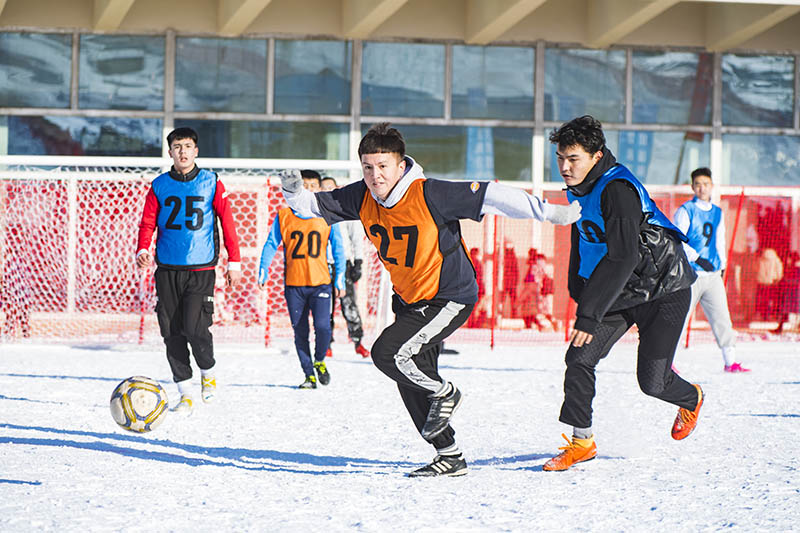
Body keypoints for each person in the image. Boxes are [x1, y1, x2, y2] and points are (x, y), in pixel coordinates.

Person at [278, 122, 580, 477]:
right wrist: (292, 189)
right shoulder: (360, 196)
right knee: (410, 381)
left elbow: (492, 195)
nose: (375, 176)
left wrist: (549, 212)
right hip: (409, 302)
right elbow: (308, 206)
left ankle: (446, 391)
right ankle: (449, 455)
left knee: (387, 354)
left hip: (449, 297)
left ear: (401, 164)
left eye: (383, 166)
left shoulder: (429, 193)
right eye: (368, 167)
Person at [543, 115, 703, 472]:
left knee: (653, 383)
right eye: (560, 158)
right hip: (621, 292)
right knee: (579, 359)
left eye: (573, 159)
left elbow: (623, 254)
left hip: (664, 290)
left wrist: (589, 312)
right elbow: (582, 236)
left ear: (596, 157)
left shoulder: (617, 189)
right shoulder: (580, 188)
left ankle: (691, 397)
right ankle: (582, 441)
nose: (565, 167)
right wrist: (578, 287)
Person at [136, 127, 242, 414]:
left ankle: (208, 371)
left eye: (188, 146)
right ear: (170, 152)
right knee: (171, 332)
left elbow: (227, 222)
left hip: (201, 268)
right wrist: (143, 249)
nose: (182, 151)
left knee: (195, 328)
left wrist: (235, 261)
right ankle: (185, 393)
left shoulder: (212, 182)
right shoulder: (159, 185)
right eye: (177, 147)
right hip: (167, 269)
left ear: (196, 151)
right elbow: (147, 223)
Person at [258, 172, 346, 389]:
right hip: (294, 285)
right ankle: (309, 375)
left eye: (312, 185)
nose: (307, 189)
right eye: (303, 185)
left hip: (321, 282)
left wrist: (340, 278)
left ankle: (319, 360)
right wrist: (263, 268)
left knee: (323, 328)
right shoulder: (284, 216)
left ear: (318, 189)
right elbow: (271, 243)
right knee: (300, 332)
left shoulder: (327, 216)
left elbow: (338, 248)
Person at [674, 168, 749, 373]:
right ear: (692, 187)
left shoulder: (717, 212)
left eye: (705, 184)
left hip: (712, 274)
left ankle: (730, 361)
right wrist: (697, 258)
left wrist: (722, 265)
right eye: (698, 184)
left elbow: (720, 240)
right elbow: (677, 241)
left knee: (722, 317)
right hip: (690, 274)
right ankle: (666, 362)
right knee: (679, 317)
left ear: (711, 186)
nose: (702, 188)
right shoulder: (686, 210)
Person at [320, 176, 370, 358]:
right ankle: (326, 343)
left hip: (344, 265)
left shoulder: (344, 210)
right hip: (322, 265)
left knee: (349, 304)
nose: (326, 191)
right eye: (323, 188)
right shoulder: (315, 212)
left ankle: (358, 341)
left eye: (330, 188)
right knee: (325, 306)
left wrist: (358, 261)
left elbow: (356, 237)